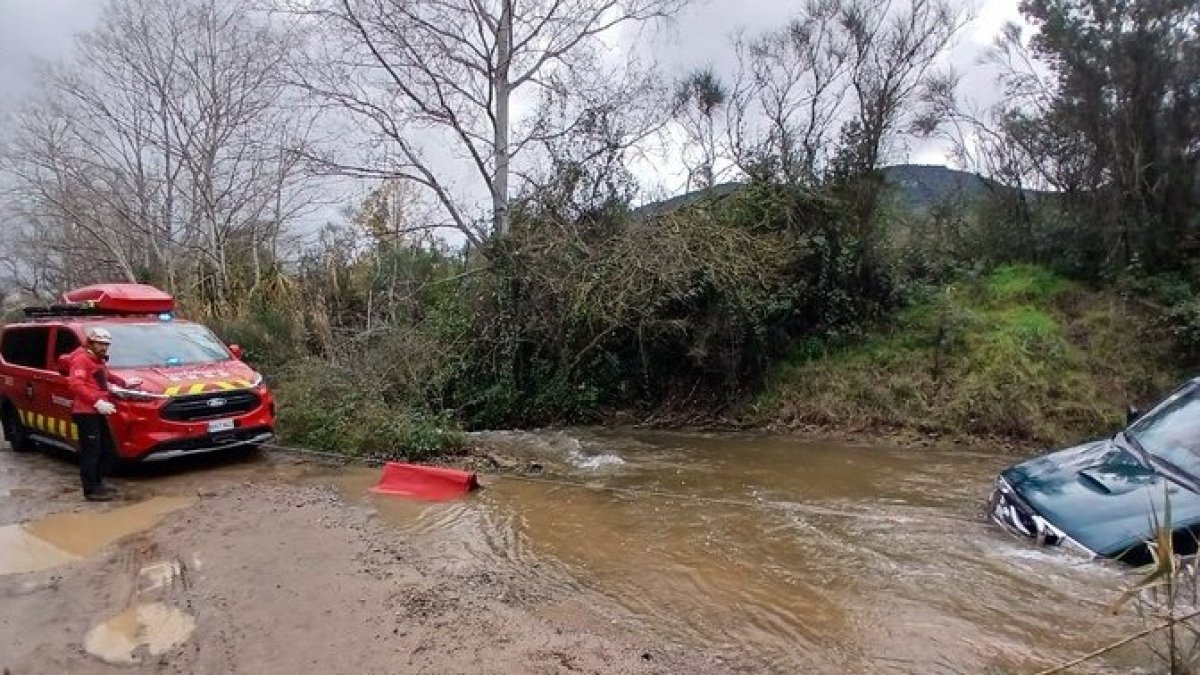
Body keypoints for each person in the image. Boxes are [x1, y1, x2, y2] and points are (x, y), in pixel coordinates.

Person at [65, 327, 140, 502]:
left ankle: (98, 484)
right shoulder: (82, 360)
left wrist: (124, 383)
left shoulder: (97, 359)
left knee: (105, 449)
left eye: (106, 345)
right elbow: (76, 385)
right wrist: (96, 402)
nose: (104, 348)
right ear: (91, 342)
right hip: (86, 412)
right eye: (101, 344)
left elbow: (105, 376)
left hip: (97, 410)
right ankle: (91, 490)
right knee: (91, 452)